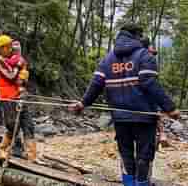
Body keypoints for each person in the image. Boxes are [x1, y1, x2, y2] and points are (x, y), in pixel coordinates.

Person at [68, 23, 180, 186]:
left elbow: (96, 85)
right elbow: (150, 83)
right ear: (136, 35)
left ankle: (128, 184)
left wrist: (82, 103)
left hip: (120, 118)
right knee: (144, 155)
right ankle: (141, 184)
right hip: (144, 118)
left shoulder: (107, 60)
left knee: (125, 153)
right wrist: (170, 108)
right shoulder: (144, 56)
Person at [0, 34, 36, 162]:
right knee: (12, 126)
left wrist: (24, 77)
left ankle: (32, 156)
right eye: (8, 47)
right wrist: (18, 66)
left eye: (11, 46)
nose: (11, 49)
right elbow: (11, 76)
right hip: (8, 99)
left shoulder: (15, 59)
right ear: (1, 48)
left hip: (20, 97)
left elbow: (21, 80)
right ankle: (3, 150)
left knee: (29, 125)